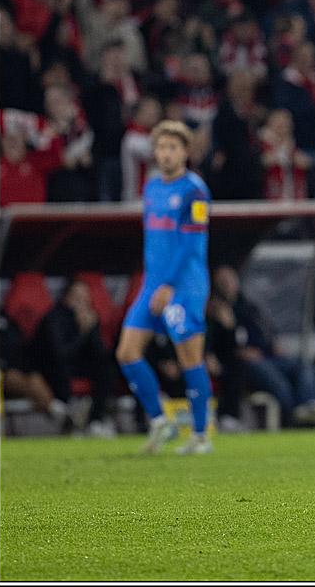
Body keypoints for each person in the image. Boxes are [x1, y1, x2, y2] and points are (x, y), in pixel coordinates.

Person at [115, 121, 215, 454]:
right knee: (127, 352)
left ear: (185, 152)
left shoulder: (195, 191)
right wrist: (153, 283)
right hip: (152, 286)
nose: (166, 153)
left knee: (190, 359)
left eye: (173, 147)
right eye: (161, 147)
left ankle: (201, 436)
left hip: (184, 287)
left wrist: (169, 286)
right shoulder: (152, 187)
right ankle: (161, 423)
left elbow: (190, 244)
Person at [209, 265, 315, 426]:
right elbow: (218, 344)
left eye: (230, 280)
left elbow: (262, 330)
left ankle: (309, 405)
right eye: (222, 281)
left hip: (267, 354)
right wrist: (230, 332)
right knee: (278, 381)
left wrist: (272, 344)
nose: (227, 284)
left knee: (303, 365)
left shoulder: (247, 306)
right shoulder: (213, 311)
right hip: (243, 361)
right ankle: (294, 414)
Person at [30, 277, 119, 437]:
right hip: (52, 367)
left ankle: (95, 420)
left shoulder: (89, 317)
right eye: (77, 298)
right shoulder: (54, 319)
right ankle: (69, 421)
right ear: (66, 298)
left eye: (85, 299)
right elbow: (61, 354)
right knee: (61, 370)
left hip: (77, 364)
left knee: (106, 369)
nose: (81, 303)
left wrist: (91, 329)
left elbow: (99, 353)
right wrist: (82, 333)